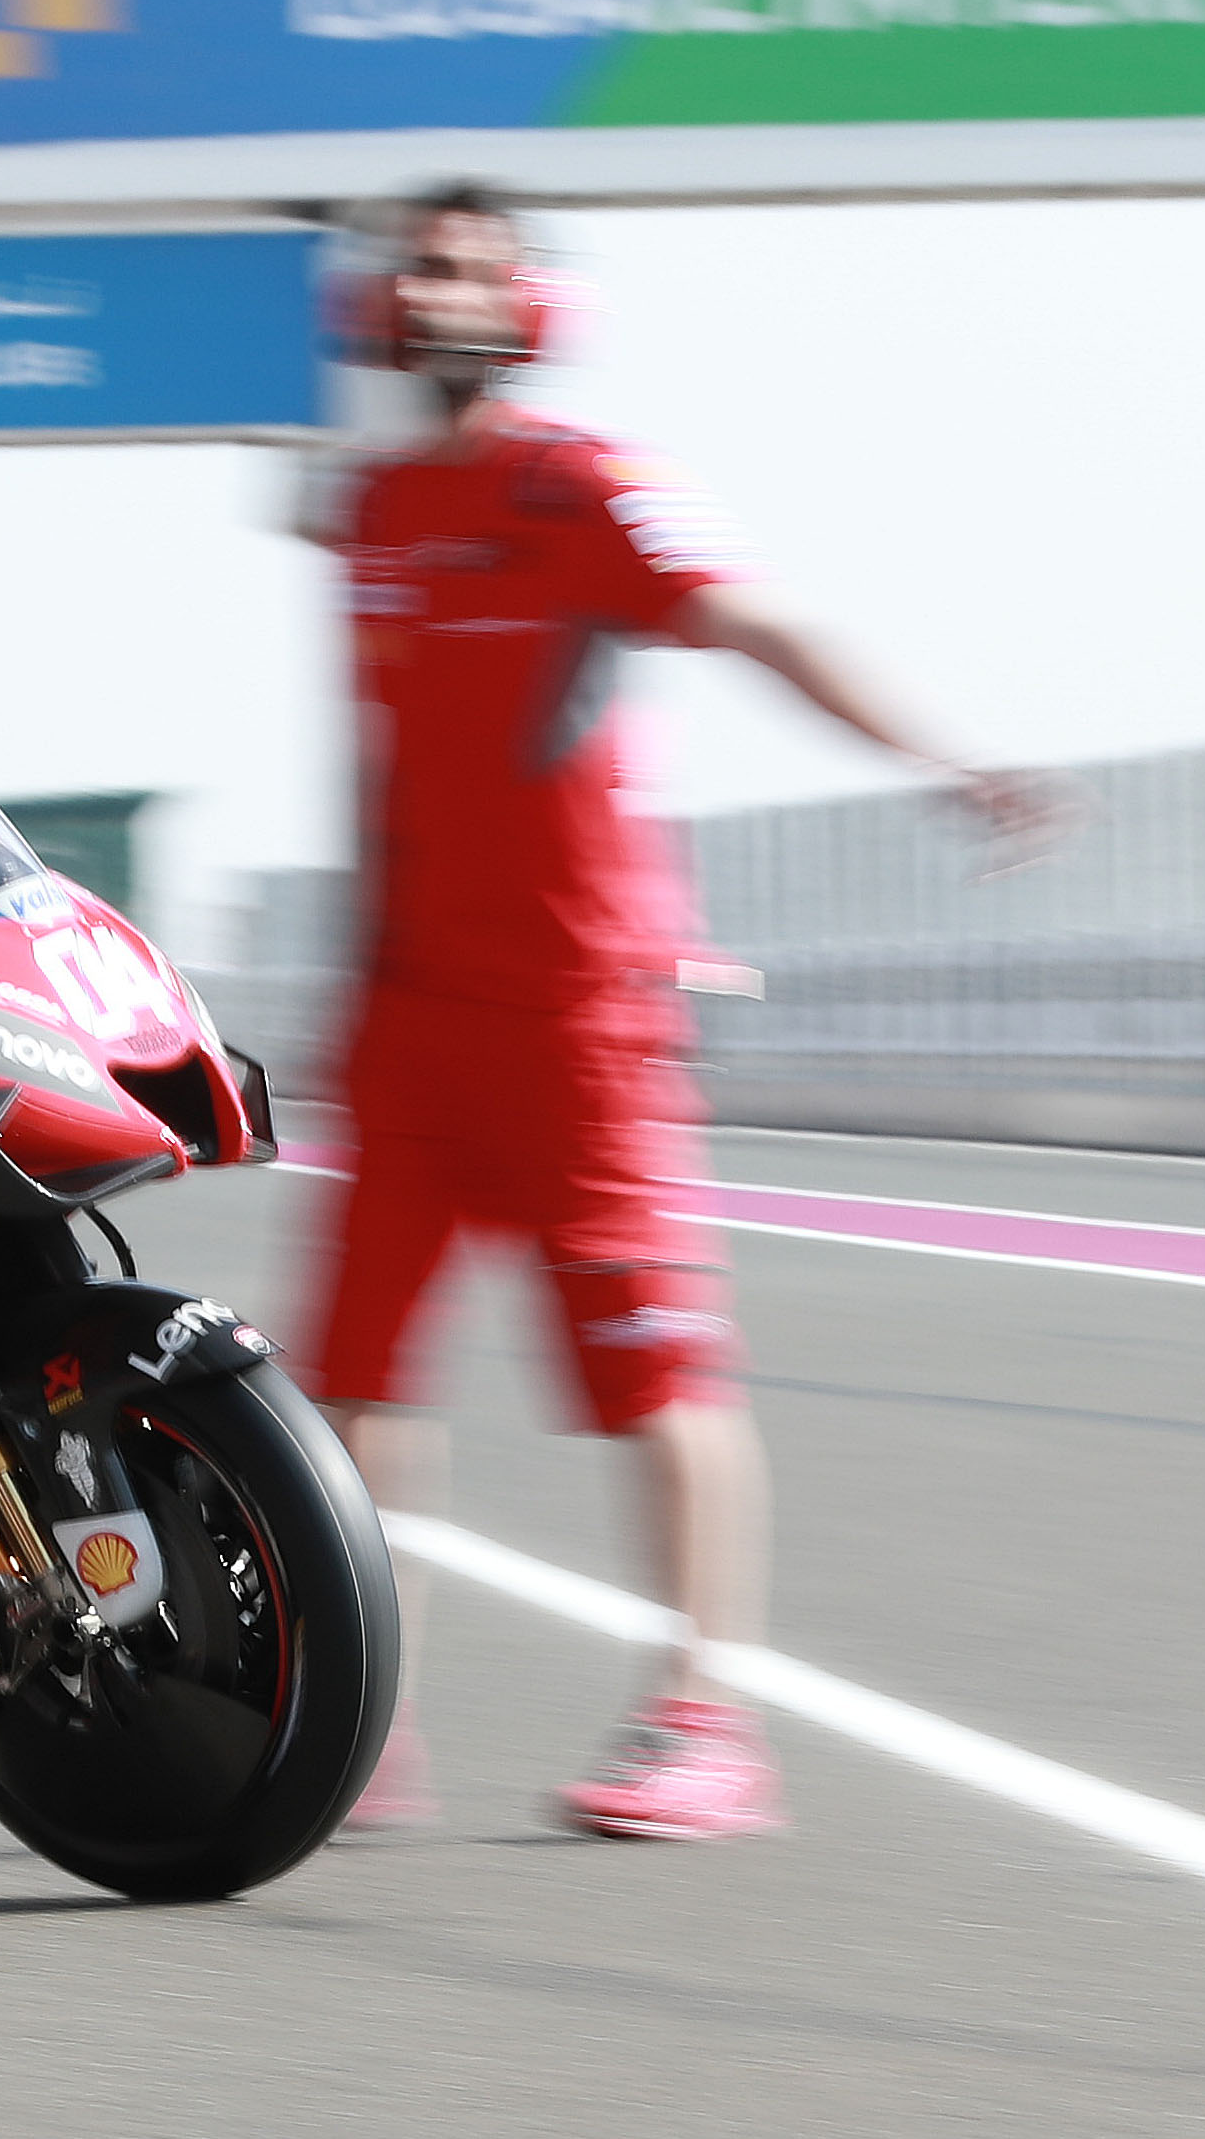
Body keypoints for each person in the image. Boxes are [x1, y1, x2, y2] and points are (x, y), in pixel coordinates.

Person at [304, 183, 1051, 1840]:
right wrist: (357, 981)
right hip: (410, 1019)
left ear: (526, 307)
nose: (424, 294)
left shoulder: (582, 486)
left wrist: (943, 758)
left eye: (460, 269)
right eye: (405, 270)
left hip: (579, 1018)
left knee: (656, 1379)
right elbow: (378, 769)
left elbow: (758, 623)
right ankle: (363, 1721)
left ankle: (705, 1724)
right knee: (349, 1391)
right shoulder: (363, 513)